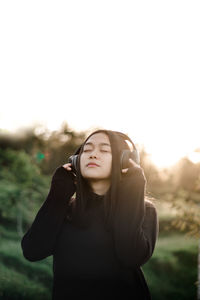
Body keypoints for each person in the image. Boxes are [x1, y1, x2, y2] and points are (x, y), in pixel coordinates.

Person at [21, 129, 159, 299]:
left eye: (104, 150)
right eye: (87, 150)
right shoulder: (63, 208)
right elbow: (32, 251)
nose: (93, 155)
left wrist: (132, 190)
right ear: (76, 161)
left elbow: (131, 255)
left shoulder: (145, 210)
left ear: (125, 162)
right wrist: (58, 195)